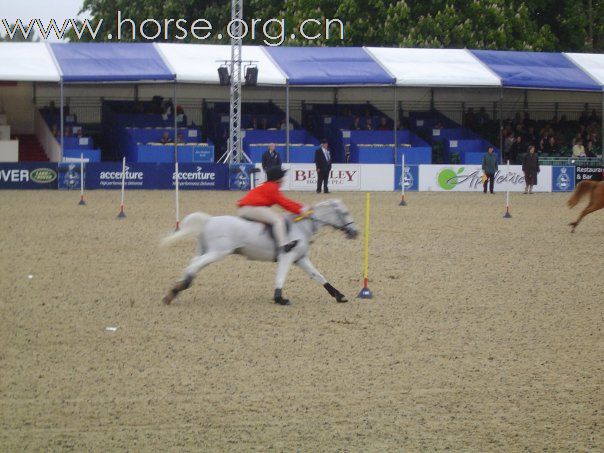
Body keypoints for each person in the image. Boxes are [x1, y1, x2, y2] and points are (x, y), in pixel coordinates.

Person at [237, 167, 308, 254]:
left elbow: (286, 201)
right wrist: (301, 211)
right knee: (278, 220)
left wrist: (301, 207)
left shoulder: (267, 185)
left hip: (247, 208)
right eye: (282, 178)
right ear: (278, 179)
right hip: (250, 208)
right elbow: (285, 203)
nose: (283, 180)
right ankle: (284, 244)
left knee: (274, 217)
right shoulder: (272, 187)